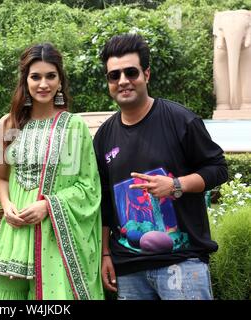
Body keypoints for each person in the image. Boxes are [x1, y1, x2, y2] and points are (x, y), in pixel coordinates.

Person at [93, 33, 228, 300]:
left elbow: (218, 168)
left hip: (182, 261)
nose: (123, 81)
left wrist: (176, 185)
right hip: (128, 268)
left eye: (131, 72)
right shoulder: (105, 136)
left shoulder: (180, 120)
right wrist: (105, 254)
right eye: (114, 75)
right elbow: (105, 201)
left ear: (146, 74)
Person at [0, 43, 104, 300]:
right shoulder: (9, 123)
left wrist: (48, 206)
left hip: (55, 234)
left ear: (60, 81)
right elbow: (1, 177)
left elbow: (88, 187)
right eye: (35, 76)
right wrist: (6, 207)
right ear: (25, 80)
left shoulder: (74, 127)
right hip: (16, 231)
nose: (43, 84)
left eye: (51, 76)